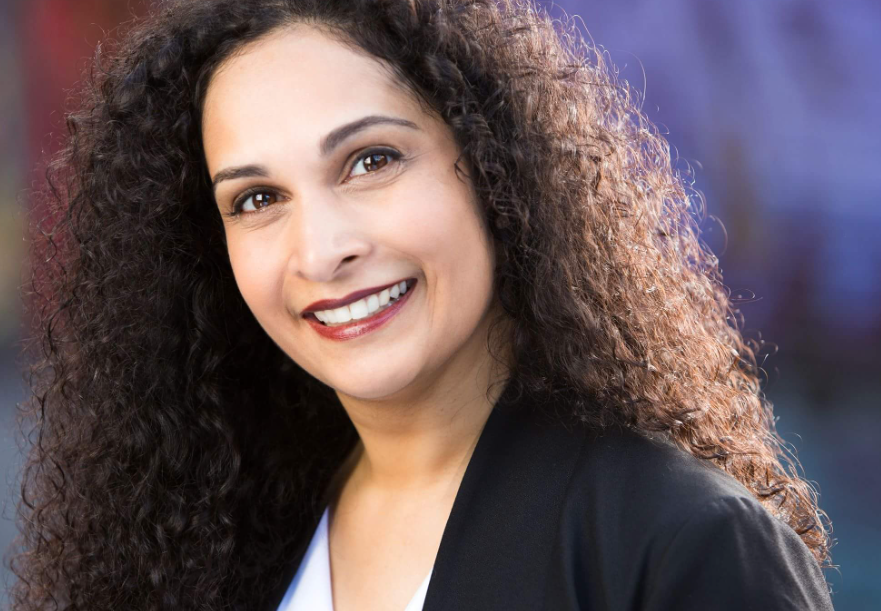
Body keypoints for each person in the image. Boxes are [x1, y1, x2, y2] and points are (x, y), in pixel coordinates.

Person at [11, 0, 835, 609]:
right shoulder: (216, 536)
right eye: (257, 199)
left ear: (488, 166)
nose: (321, 248)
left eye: (370, 160)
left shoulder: (678, 542)